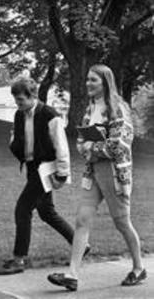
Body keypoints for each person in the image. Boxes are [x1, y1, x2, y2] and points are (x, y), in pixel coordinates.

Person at [47, 64, 147, 291]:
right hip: (92, 172)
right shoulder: (90, 107)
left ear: (105, 82)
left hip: (114, 173)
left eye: (93, 80)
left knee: (122, 222)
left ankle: (139, 268)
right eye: (87, 80)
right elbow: (81, 141)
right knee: (82, 220)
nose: (88, 84)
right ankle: (72, 275)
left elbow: (119, 145)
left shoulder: (118, 108)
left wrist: (92, 147)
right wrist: (87, 147)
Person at [0, 76, 76, 275]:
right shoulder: (19, 114)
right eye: (16, 100)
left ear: (32, 96)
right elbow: (18, 137)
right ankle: (81, 244)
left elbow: (61, 146)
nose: (18, 104)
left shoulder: (50, 115)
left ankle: (19, 259)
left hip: (47, 169)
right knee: (46, 211)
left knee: (22, 209)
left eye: (21, 100)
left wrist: (62, 174)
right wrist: (14, 143)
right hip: (32, 168)